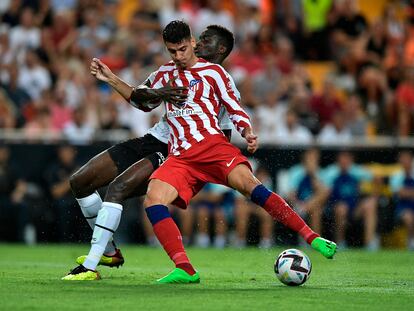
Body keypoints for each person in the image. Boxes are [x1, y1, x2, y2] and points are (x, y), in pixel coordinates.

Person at [66, 21, 336, 283]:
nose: (191, 48)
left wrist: (247, 132)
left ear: (211, 49)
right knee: (138, 196)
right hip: (174, 151)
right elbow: (141, 99)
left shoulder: (218, 76)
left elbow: (234, 110)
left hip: (209, 148)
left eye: (200, 42)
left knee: (253, 189)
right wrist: (123, 81)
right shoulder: (166, 72)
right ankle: (182, 268)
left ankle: (312, 237)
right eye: (175, 49)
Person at [63, 24, 238, 279]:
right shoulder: (169, 70)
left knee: (117, 188)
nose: (199, 44)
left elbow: (224, 135)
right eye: (198, 39)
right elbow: (140, 99)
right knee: (80, 181)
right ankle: (110, 252)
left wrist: (196, 169)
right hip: (153, 138)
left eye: (205, 40)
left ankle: (89, 266)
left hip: (178, 151)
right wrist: (112, 78)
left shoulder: (221, 81)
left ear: (221, 49)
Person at [390, 150, 414, 250]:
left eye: (407, 159)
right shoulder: (396, 176)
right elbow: (398, 193)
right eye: (403, 159)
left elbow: (403, 192)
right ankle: (411, 242)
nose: (405, 161)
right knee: (408, 216)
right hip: (402, 208)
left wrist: (405, 192)